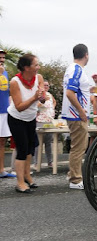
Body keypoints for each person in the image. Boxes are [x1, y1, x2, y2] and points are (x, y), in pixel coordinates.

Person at [7, 54, 45, 193]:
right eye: (36, 65)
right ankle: (20, 183)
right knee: (22, 149)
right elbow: (19, 106)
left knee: (30, 148)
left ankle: (27, 176)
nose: (38, 67)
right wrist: (35, 97)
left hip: (30, 117)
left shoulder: (38, 78)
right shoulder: (15, 82)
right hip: (16, 118)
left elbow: (43, 98)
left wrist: (42, 96)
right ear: (26, 67)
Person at [61, 44, 90, 190]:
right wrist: (81, 111)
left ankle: (72, 173)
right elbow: (70, 93)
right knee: (78, 148)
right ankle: (75, 179)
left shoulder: (70, 69)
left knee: (77, 146)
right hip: (76, 115)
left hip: (72, 113)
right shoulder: (77, 70)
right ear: (86, 54)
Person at [0, 49, 16, 178]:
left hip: (4, 110)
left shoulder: (4, 72)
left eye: (3, 57)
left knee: (2, 141)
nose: (2, 59)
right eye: (0, 57)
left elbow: (6, 90)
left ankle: (1, 170)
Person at [34, 79, 56, 169]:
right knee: (38, 143)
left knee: (48, 142)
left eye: (48, 85)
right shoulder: (39, 94)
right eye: (45, 85)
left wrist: (53, 108)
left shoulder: (50, 95)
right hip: (40, 120)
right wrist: (42, 103)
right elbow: (35, 106)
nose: (46, 87)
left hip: (49, 120)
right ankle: (36, 163)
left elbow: (54, 101)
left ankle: (50, 162)